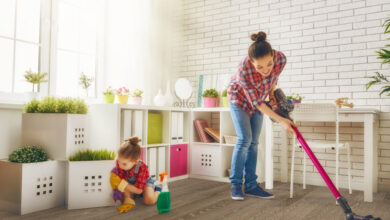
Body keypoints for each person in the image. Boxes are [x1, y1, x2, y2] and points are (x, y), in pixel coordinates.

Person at [227, 31, 296, 201]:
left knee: (254, 143)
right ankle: (236, 184)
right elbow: (256, 103)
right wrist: (282, 121)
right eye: (259, 67)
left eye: (269, 64)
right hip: (239, 99)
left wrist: (272, 97)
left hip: (260, 97)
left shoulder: (281, 59)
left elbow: (272, 79)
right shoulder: (243, 69)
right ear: (251, 63)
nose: (265, 70)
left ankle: (251, 185)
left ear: (273, 56)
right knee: (245, 139)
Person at [110, 137, 161, 213]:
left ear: (136, 161)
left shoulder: (141, 167)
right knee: (125, 199)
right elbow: (122, 180)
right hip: (130, 184)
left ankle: (158, 191)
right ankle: (133, 197)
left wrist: (122, 184)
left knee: (149, 201)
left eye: (124, 164)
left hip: (143, 184)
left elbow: (139, 190)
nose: (120, 165)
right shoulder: (120, 163)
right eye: (119, 161)